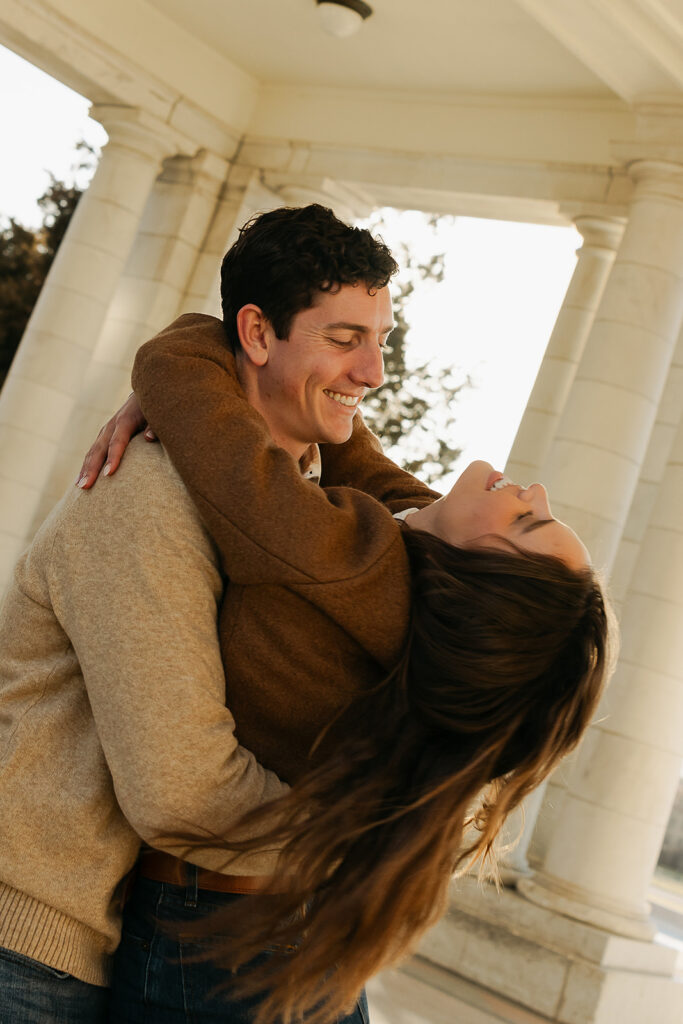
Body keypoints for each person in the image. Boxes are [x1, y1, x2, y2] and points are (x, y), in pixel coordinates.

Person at [85, 303, 613, 1024]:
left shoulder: (342, 560)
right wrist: (296, 380)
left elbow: (210, 425)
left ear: (475, 585)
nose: (536, 492)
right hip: (291, 934)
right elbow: (370, 468)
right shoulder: (414, 577)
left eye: (527, 522)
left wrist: (216, 348)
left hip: (221, 942)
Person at [0, 204, 433, 1024]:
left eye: (381, 339)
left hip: (132, 934)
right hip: (32, 940)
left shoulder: (302, 498)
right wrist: (373, 832)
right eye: (344, 339)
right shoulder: (148, 492)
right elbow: (180, 791)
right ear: (257, 334)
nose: (374, 372)